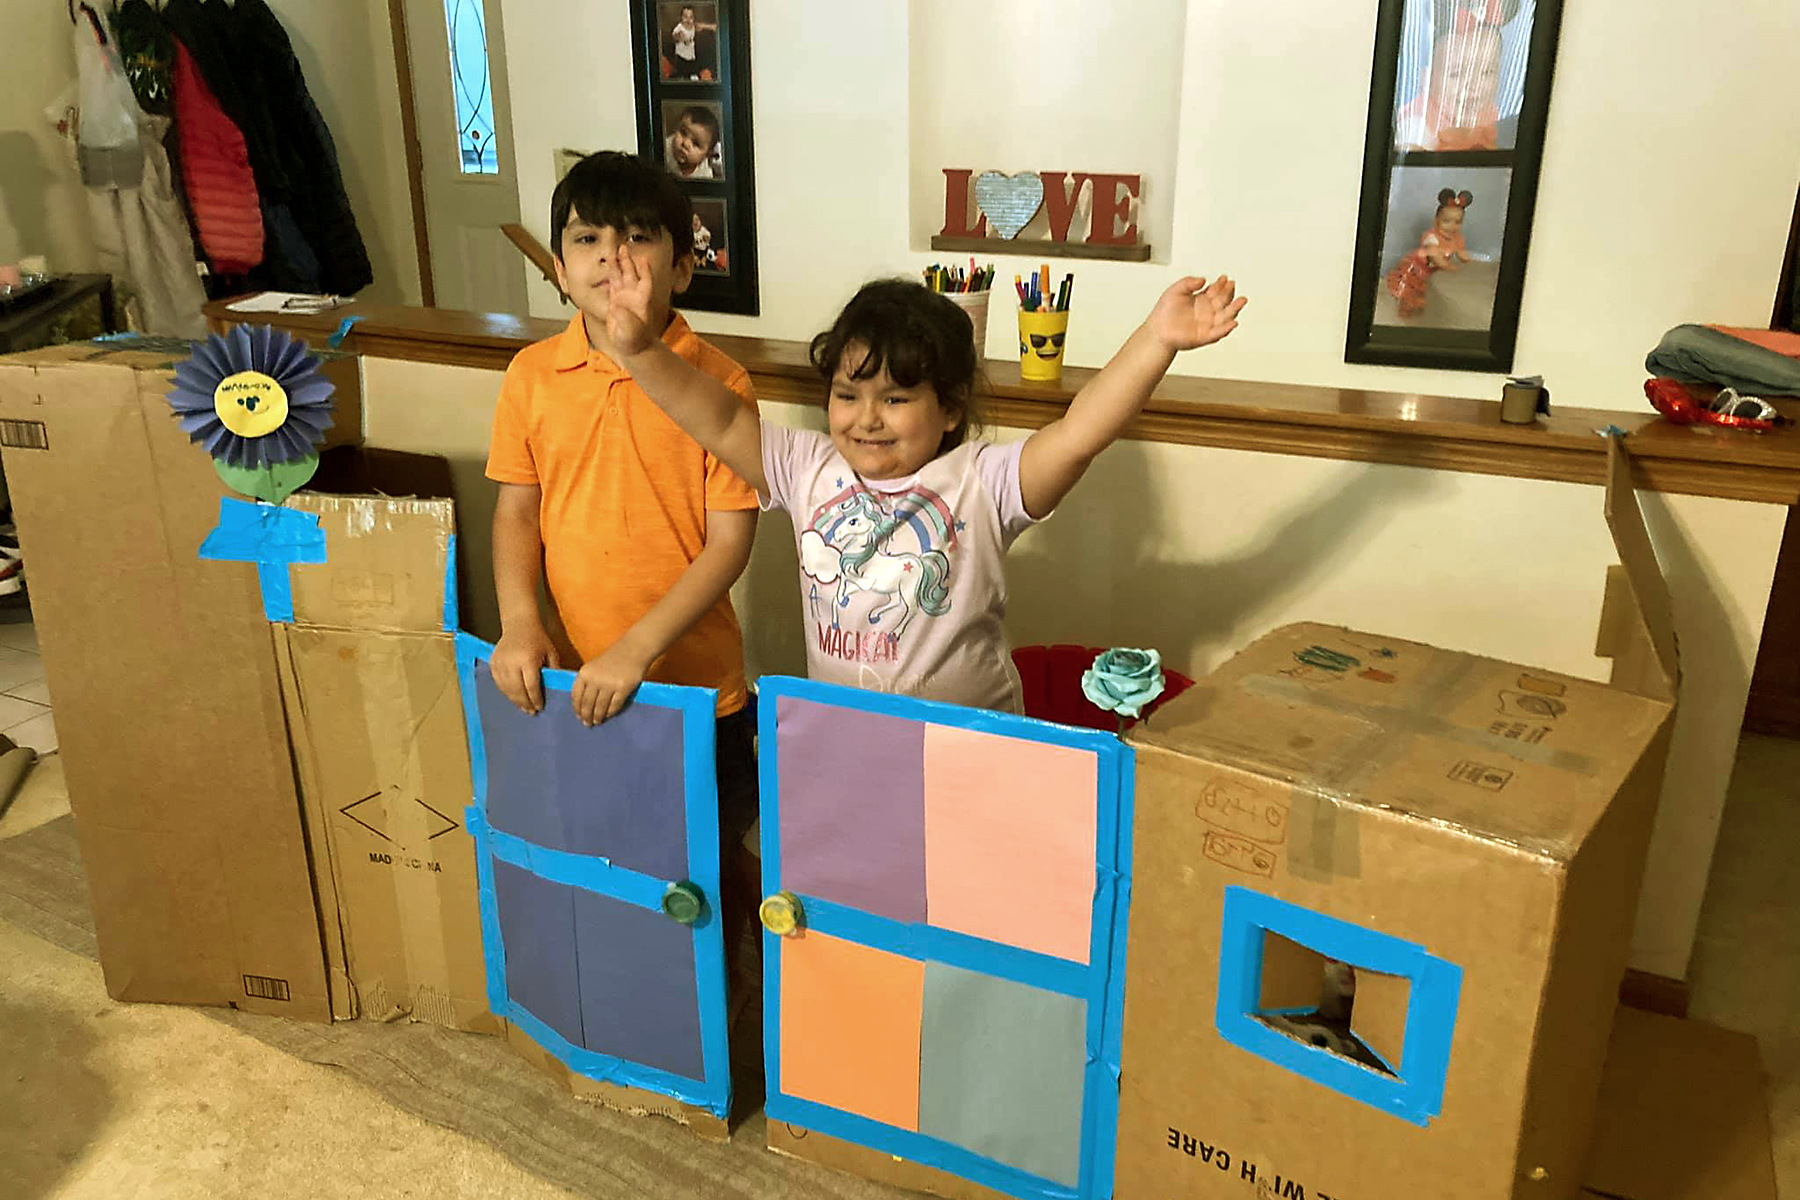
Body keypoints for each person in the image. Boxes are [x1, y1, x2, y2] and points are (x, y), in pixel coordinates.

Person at [605, 266, 1246, 713]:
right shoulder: (806, 468)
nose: (867, 418)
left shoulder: (984, 482)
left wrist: (1158, 339)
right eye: (847, 395)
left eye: (896, 398)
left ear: (950, 408)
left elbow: (1079, 434)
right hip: (850, 743)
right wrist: (638, 349)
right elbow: (718, 419)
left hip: (973, 751)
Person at [484, 151, 762, 975]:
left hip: (696, 693)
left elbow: (730, 544)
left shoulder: (719, 383)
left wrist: (638, 649)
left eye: (638, 238)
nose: (614, 258)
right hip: (574, 686)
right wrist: (520, 623)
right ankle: (635, 992)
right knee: (606, 856)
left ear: (682, 266)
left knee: (706, 867)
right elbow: (516, 512)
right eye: (589, 240)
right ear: (558, 269)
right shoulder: (532, 376)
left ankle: (724, 997)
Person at [1394, 10, 1504, 151]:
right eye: (1456, 74)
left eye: (1486, 72)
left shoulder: (1489, 111)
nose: (1473, 85)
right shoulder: (1417, 125)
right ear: (1427, 79)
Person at [1385, 188, 1475, 317]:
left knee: (1424, 296)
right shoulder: (1432, 237)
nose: (1452, 226)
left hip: (1429, 271)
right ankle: (1404, 313)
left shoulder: (1457, 238)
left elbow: (1461, 252)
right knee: (1409, 292)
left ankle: (1418, 310)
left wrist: (1466, 260)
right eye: (1446, 221)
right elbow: (1435, 256)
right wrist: (1448, 267)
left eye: (1458, 222)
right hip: (1415, 268)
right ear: (1436, 221)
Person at [664, 105, 721, 180]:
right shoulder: (664, 149)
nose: (685, 144)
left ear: (707, 154)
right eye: (683, 132)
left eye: (696, 143)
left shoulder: (704, 174)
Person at [668, 5, 717, 80]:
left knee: (692, 70)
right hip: (681, 57)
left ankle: (692, 76)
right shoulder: (679, 28)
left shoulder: (693, 26)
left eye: (691, 17)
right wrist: (679, 36)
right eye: (685, 17)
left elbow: (701, 26)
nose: (688, 20)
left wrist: (710, 27)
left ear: (693, 19)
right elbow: (674, 35)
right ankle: (680, 76)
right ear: (681, 18)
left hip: (691, 57)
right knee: (681, 71)